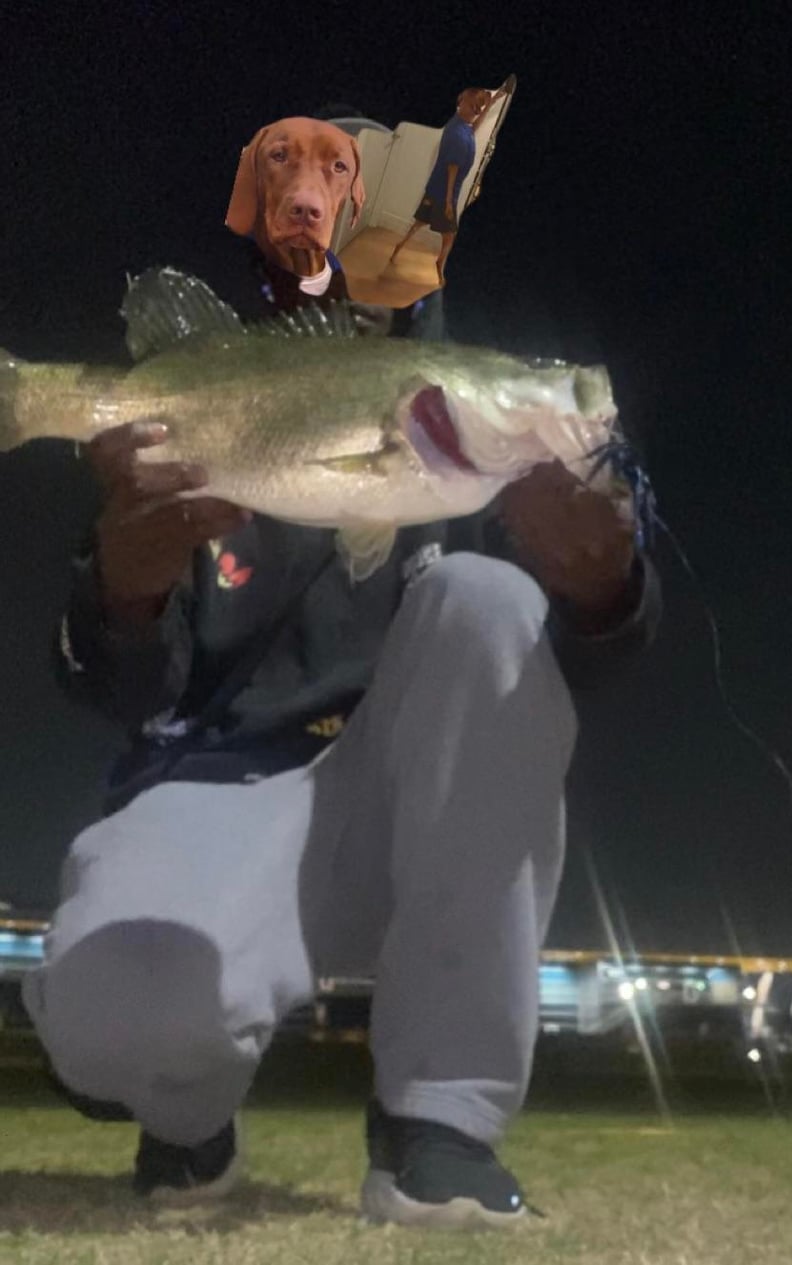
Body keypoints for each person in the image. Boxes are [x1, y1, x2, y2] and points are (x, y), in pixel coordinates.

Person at [22, 141, 661, 1236]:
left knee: (491, 601)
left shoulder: (492, 460)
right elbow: (115, 685)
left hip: (415, 816)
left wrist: (605, 585)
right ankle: (184, 1113)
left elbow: (568, 671)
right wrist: (124, 587)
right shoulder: (211, 418)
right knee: (113, 1015)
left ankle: (440, 1124)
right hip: (221, 793)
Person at [388, 85, 504, 286]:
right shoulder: (458, 133)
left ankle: (401, 245)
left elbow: (474, 127)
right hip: (445, 193)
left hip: (435, 188)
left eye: (477, 108)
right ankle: (440, 263)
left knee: (420, 221)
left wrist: (491, 103)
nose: (476, 111)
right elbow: (452, 169)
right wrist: (449, 202)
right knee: (450, 234)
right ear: (463, 104)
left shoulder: (460, 125)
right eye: (473, 106)